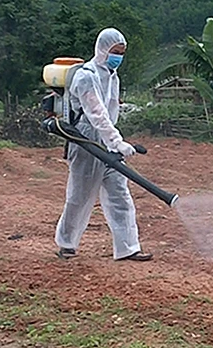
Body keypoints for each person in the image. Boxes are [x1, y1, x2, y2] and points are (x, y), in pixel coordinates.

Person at [54, 27, 152, 261]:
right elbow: (96, 113)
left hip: (108, 140)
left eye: (121, 53)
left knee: (120, 194)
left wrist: (115, 141)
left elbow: (110, 113)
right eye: (115, 51)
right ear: (103, 49)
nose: (118, 57)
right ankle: (66, 243)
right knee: (80, 196)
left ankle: (128, 248)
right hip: (86, 139)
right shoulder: (86, 76)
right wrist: (117, 142)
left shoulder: (112, 75)